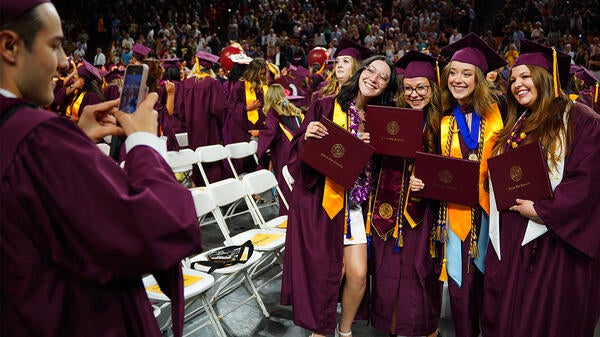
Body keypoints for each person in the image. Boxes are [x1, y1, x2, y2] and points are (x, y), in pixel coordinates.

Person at [0, 2, 203, 336]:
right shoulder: (36, 139)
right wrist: (143, 144)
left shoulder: (28, 139)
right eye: (54, 45)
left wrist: (74, 139)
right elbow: (153, 230)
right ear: (9, 46)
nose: (65, 61)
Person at [482, 39, 600, 337]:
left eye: (526, 76)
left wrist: (542, 210)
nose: (517, 84)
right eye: (513, 79)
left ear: (546, 77)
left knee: (537, 319)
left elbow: (588, 181)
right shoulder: (519, 121)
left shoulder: (579, 120)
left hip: (549, 243)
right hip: (511, 236)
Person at [281, 55, 398, 337]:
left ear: (387, 87)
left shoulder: (382, 121)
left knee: (358, 274)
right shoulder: (325, 105)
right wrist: (307, 134)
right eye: (371, 70)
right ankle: (321, 332)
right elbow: (297, 152)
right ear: (361, 71)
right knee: (332, 271)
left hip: (356, 205)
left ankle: (343, 331)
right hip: (324, 201)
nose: (374, 78)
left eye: (383, 77)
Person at [410, 32, 507, 337]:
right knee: (461, 282)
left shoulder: (500, 110)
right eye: (453, 72)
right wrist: (419, 180)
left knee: (493, 283)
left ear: (479, 78)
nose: (458, 79)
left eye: (467, 73)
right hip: (455, 213)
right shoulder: (441, 118)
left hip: (495, 211)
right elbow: (429, 162)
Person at [369, 51, 444, 337]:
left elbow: (449, 169)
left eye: (421, 88)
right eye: (409, 88)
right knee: (389, 270)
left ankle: (423, 328)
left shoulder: (443, 124)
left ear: (432, 88)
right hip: (388, 207)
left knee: (419, 270)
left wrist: (429, 182)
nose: (414, 94)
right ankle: (392, 326)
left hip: (423, 213)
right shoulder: (390, 117)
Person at [181, 51, 229, 185]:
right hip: (210, 128)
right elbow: (219, 110)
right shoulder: (213, 83)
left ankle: (198, 186)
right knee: (211, 160)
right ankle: (215, 189)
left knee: (197, 158)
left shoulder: (186, 83)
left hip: (192, 129)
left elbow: (181, 111)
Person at [256, 84, 304, 215]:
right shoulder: (293, 108)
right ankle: (300, 215)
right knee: (297, 183)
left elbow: (271, 132)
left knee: (285, 183)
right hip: (298, 149)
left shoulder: (273, 111)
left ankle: (287, 215)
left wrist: (259, 134)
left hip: (284, 152)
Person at [226, 57, 269, 174]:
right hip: (243, 129)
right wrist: (245, 108)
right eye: (260, 74)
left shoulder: (265, 86)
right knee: (244, 162)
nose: (262, 77)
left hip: (261, 129)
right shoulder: (240, 85)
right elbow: (230, 107)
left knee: (260, 161)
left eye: (264, 74)